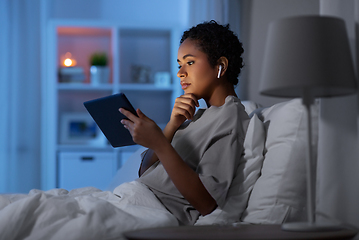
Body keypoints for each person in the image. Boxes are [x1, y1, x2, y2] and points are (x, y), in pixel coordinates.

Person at [119, 20, 249, 225]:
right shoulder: (196, 116)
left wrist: (159, 143)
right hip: (130, 199)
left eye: (189, 62)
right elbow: (144, 172)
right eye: (179, 65)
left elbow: (207, 203)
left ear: (220, 66)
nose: (180, 73)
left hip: (150, 211)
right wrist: (171, 126)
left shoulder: (230, 117)